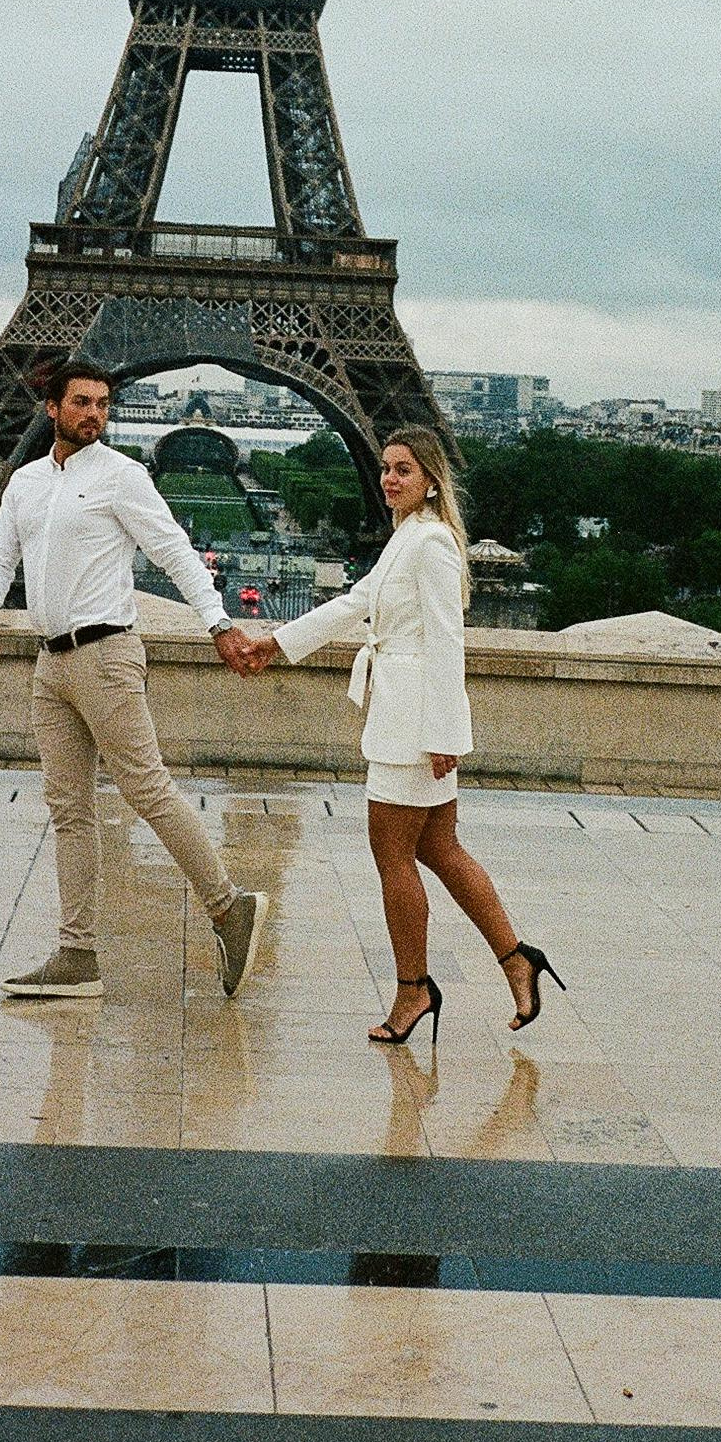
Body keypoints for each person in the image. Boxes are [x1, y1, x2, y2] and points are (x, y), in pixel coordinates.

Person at [243, 429, 562, 1046]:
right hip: (409, 715)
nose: (390, 479)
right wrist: (278, 642)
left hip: (415, 725)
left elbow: (447, 642)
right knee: (441, 850)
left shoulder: (432, 544)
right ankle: (516, 957)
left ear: (430, 479)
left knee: (393, 857)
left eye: (404, 470)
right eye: (386, 469)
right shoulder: (408, 538)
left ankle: (414, 987)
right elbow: (355, 604)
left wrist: (445, 733)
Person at [0, 360, 268, 1001]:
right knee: (69, 811)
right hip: (51, 664)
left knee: (147, 790)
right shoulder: (24, 483)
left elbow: (174, 550)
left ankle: (225, 904)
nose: (94, 414)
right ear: (53, 408)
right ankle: (77, 954)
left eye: (102, 404)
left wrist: (218, 623)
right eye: (81, 402)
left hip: (106, 656)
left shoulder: (123, 477)